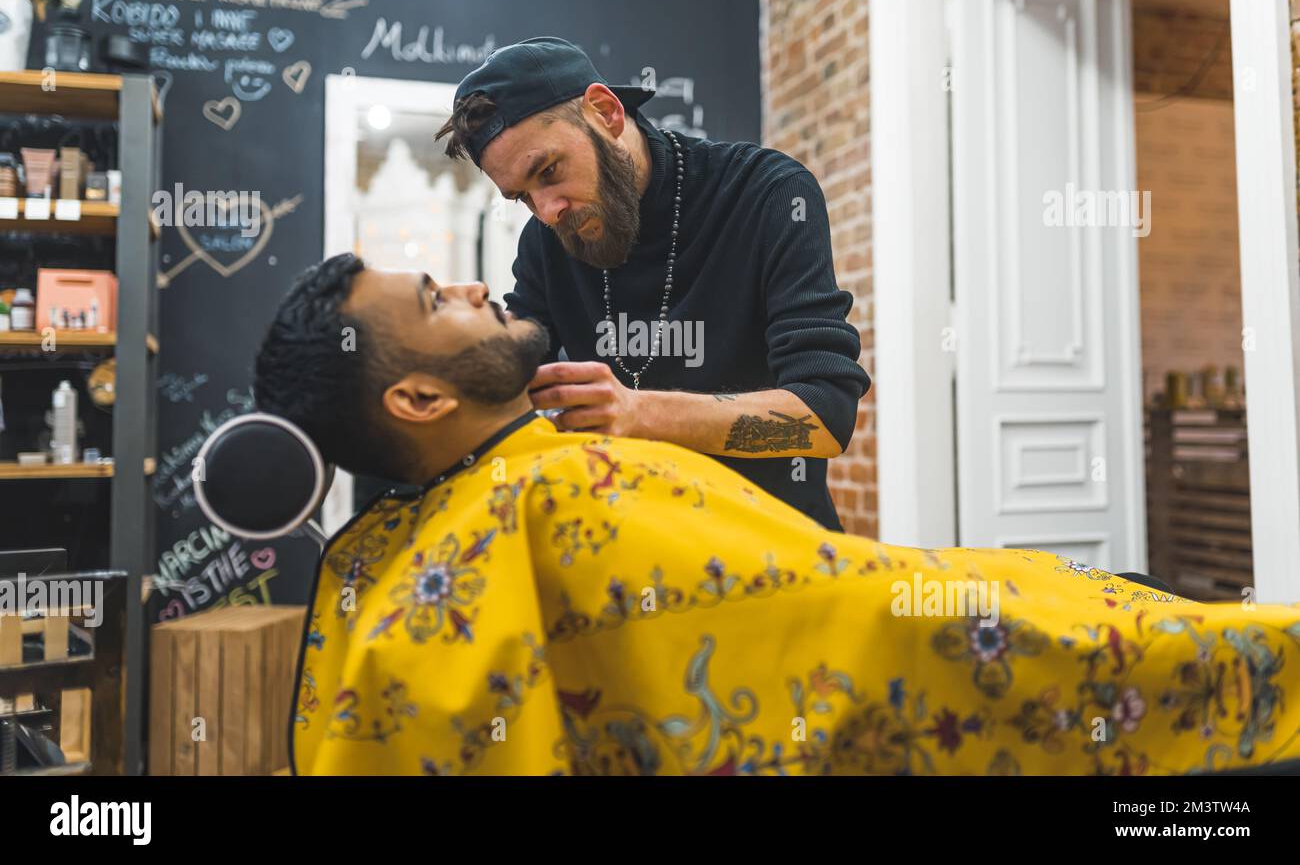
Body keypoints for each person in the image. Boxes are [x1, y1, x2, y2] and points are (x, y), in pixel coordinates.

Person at [255, 255, 1300, 776]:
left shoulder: (432, 525)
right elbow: (859, 623)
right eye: (439, 298)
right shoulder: (547, 492)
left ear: (605, 114)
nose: (482, 282)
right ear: (420, 401)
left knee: (1100, 576)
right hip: (946, 627)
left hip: (900, 577)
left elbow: (825, 425)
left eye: (544, 174)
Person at [436, 37, 870, 531]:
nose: (548, 210)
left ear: (605, 112)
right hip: (630, 558)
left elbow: (826, 415)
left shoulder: (766, 193)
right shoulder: (545, 241)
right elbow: (513, 369)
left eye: (549, 170)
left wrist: (638, 413)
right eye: (523, 197)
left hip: (775, 552)